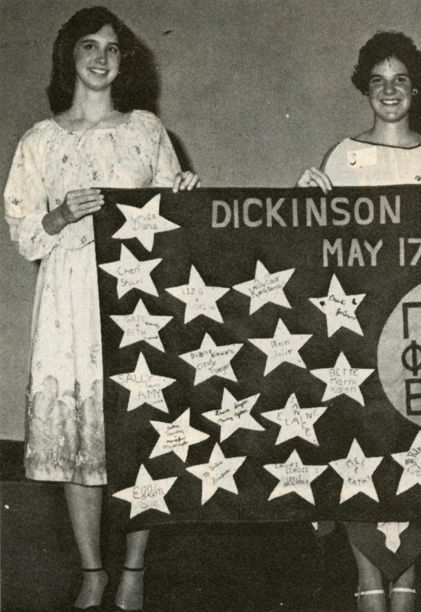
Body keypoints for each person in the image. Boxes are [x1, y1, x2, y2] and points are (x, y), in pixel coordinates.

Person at [3, 7, 199, 611]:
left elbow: (174, 228)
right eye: (88, 46)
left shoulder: (146, 130)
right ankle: (93, 570)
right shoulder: (39, 140)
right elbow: (24, 235)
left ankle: (133, 570)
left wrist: (185, 198)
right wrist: (61, 214)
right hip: (69, 302)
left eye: (112, 48)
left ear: (123, 62)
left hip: (136, 300)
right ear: (69, 56)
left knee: (139, 437)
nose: (100, 57)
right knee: (79, 444)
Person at [297, 31, 421, 612]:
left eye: (400, 79)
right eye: (378, 80)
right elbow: (314, 251)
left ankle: (405, 583)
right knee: (360, 454)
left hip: (419, 336)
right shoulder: (340, 156)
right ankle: (367, 582)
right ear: (364, 87)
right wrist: (302, 203)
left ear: (416, 89)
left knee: (416, 453)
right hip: (357, 336)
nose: (389, 90)